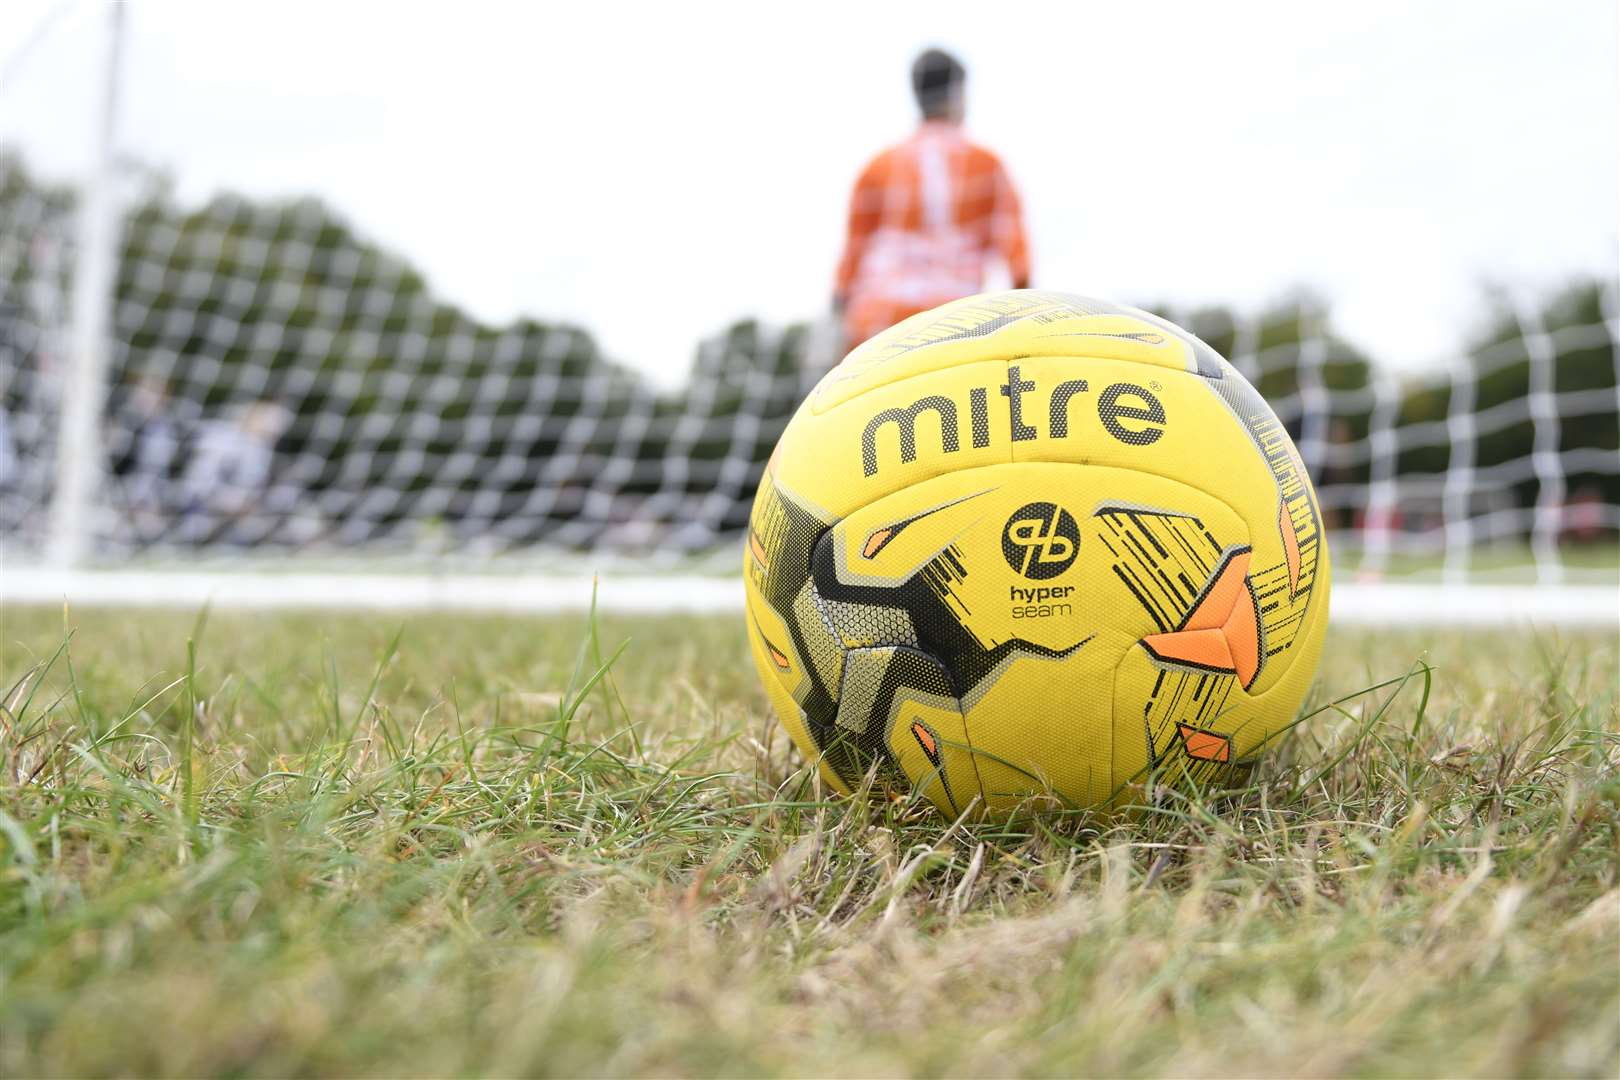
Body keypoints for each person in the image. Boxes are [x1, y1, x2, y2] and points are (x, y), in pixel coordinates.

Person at [832, 48, 1031, 348]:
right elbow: (1017, 255)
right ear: (958, 92)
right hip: (957, 321)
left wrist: (836, 311)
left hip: (880, 324)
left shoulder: (878, 166)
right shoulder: (987, 164)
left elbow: (854, 252)